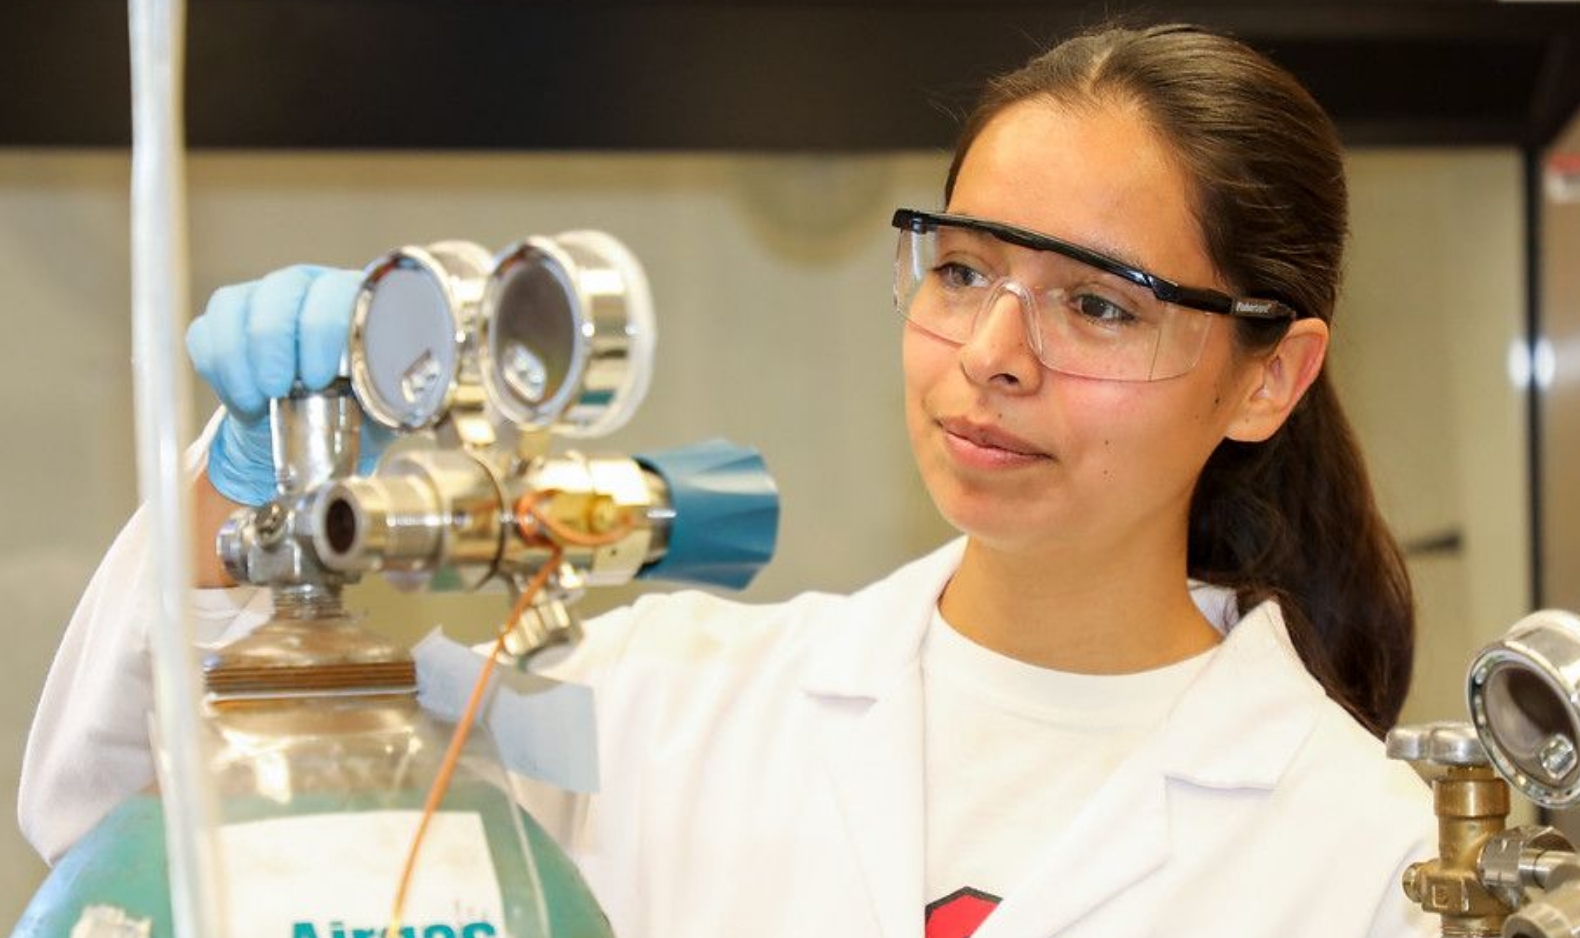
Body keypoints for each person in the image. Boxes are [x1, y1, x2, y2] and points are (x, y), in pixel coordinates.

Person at [22, 21, 1439, 938]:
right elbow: (149, 825)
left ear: (1268, 374)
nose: (992, 354)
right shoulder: (648, 702)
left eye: (1098, 306)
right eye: (960, 272)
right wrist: (246, 477)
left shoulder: (1368, 855)